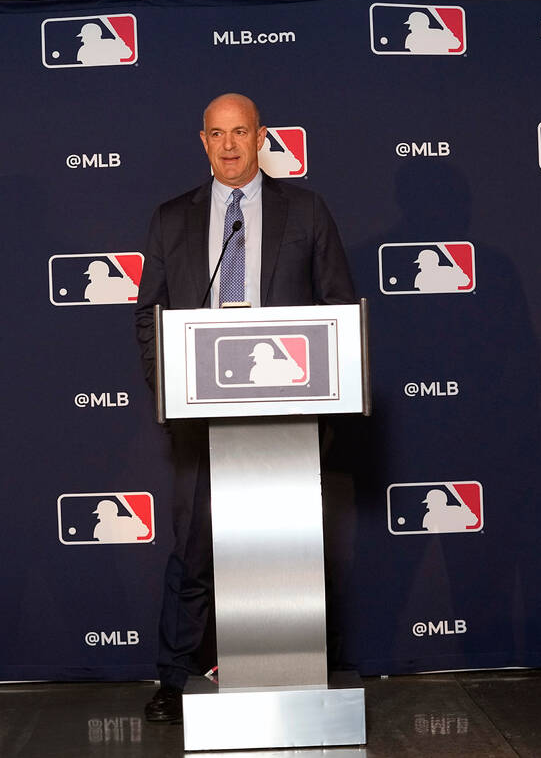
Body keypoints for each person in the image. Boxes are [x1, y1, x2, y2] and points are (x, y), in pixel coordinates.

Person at [134, 92, 355, 722]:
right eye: (216, 134)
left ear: (263, 137)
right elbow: (149, 317)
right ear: (201, 141)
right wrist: (171, 394)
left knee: (293, 550)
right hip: (200, 418)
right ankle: (174, 680)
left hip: (289, 419)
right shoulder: (173, 217)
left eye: (240, 132)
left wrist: (327, 411)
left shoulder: (306, 211)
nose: (229, 145)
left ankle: (309, 672)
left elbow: (339, 308)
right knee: (195, 551)